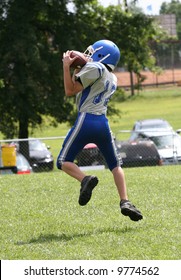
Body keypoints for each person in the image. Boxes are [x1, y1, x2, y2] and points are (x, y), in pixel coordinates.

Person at [57, 39, 143, 222]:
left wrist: (66, 67)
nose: (88, 54)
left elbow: (70, 91)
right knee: (115, 165)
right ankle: (125, 201)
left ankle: (84, 179)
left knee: (63, 161)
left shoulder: (95, 68)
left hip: (86, 119)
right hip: (102, 123)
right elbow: (80, 85)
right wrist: (78, 69)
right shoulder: (112, 77)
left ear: (101, 55)